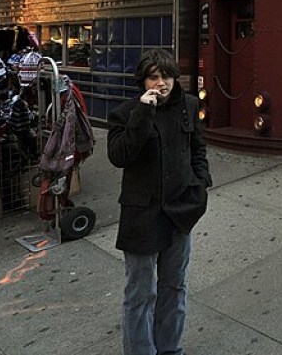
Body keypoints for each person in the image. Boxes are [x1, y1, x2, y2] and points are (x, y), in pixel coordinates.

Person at [108, 50, 213, 355]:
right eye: (154, 76)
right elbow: (119, 156)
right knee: (141, 293)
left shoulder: (189, 106)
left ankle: (170, 349)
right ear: (143, 80)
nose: (161, 83)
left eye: (166, 76)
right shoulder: (126, 112)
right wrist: (142, 114)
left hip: (180, 211)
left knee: (174, 287)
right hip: (142, 215)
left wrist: (200, 183)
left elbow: (197, 148)